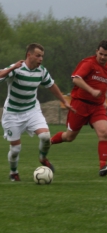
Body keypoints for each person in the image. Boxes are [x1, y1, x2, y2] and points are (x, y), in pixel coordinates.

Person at [0, 43, 74, 181]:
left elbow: (51, 85)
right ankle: (13, 172)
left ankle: (42, 157)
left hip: (32, 111)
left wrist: (64, 101)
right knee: (15, 149)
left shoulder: (41, 71)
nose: (41, 59)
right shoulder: (16, 68)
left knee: (45, 136)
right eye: (38, 55)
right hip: (12, 114)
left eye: (42, 56)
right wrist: (12, 68)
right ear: (29, 55)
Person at [51, 40, 107, 177]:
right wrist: (92, 91)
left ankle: (103, 166)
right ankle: (48, 141)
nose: (102, 57)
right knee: (69, 137)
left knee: (104, 132)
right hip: (80, 104)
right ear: (96, 51)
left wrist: (104, 100)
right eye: (100, 54)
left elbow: (105, 85)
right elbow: (76, 79)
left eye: (106, 55)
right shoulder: (88, 63)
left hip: (97, 107)